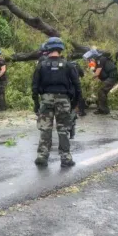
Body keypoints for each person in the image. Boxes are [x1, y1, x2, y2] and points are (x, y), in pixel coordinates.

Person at [32, 37, 82, 167]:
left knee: (45, 129)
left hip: (46, 99)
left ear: (47, 48)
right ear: (61, 49)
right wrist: (74, 103)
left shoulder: (41, 65)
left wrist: (36, 103)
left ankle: (42, 156)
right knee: (63, 129)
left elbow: (35, 86)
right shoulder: (68, 65)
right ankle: (65, 158)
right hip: (64, 100)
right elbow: (77, 86)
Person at [83, 49, 118, 115]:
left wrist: (88, 79)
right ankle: (101, 108)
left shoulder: (101, 59)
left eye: (90, 59)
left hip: (112, 76)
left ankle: (104, 110)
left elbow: (97, 73)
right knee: (101, 91)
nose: (89, 61)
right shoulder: (97, 62)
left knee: (101, 91)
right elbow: (97, 77)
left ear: (93, 57)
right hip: (107, 77)